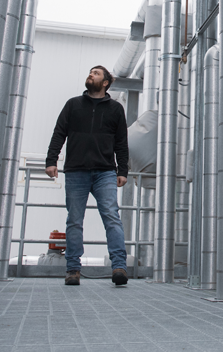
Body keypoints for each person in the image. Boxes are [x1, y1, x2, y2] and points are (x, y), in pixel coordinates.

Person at [45, 65, 130, 286]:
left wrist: (123, 171)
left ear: (105, 83)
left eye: (96, 73)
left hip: (105, 173)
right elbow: (59, 133)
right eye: (90, 72)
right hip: (76, 171)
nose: (90, 74)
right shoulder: (73, 105)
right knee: (74, 221)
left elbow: (121, 143)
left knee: (112, 217)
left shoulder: (115, 109)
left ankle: (119, 267)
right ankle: (73, 270)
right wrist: (51, 161)